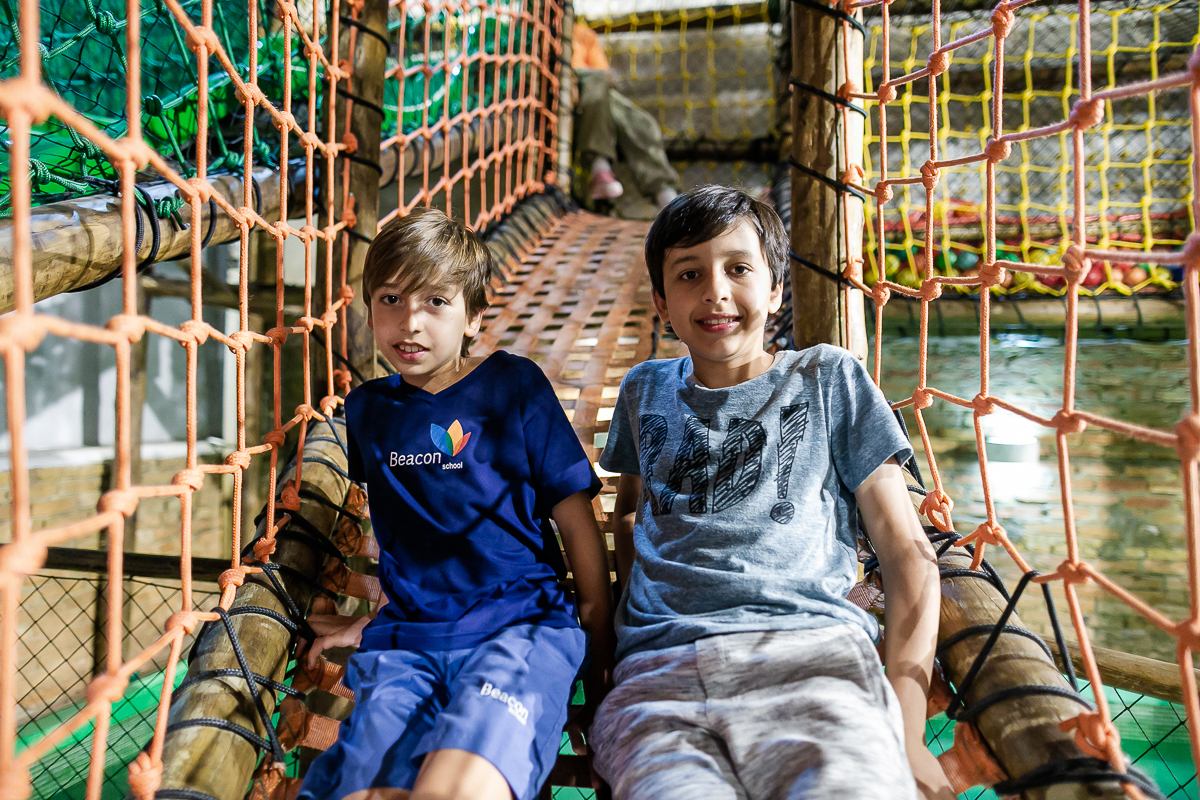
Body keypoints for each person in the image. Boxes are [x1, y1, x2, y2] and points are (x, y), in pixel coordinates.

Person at [589, 185, 955, 800]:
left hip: (812, 661)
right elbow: (629, 519)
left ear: (776, 290)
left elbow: (906, 553)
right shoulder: (643, 389)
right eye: (689, 274)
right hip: (662, 681)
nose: (715, 292)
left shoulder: (826, 377)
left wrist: (909, 731)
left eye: (738, 268)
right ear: (661, 302)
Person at [296, 207, 615, 800]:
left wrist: (599, 646)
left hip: (518, 631)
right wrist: (368, 623)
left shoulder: (511, 386)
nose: (410, 322)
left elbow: (576, 518)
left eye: (435, 302)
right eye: (391, 299)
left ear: (473, 317)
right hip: (409, 646)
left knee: (453, 789)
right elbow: (420, 540)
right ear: (369, 308)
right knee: (370, 791)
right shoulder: (367, 412)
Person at [571, 22, 679, 210]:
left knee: (641, 122)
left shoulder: (582, 34)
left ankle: (668, 199)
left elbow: (604, 76)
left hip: (589, 101)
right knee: (596, 82)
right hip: (557, 102)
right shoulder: (532, 32)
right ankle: (599, 166)